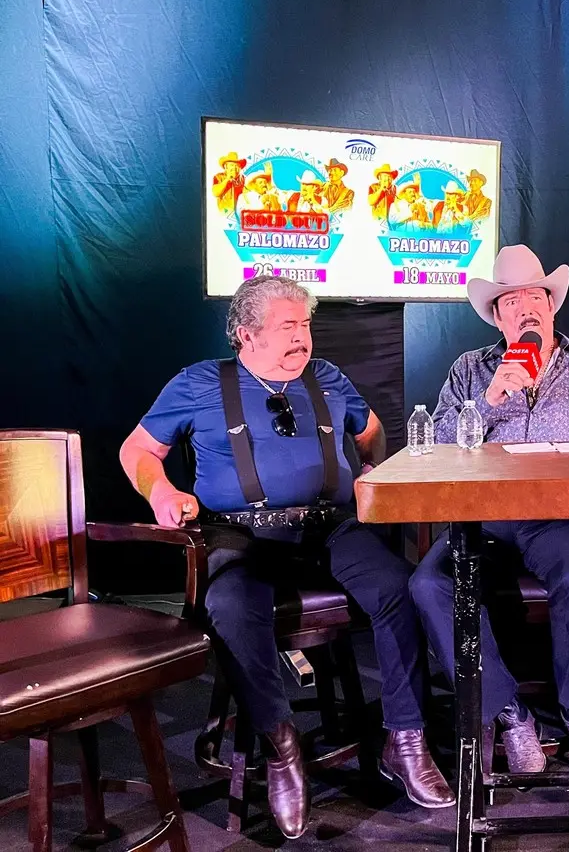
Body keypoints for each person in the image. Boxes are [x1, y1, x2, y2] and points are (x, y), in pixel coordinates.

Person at [119, 277, 454, 839]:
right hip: (241, 536)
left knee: (402, 589)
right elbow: (138, 450)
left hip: (329, 529)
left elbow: (369, 429)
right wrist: (161, 492)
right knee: (231, 606)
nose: (303, 338)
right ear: (246, 335)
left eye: (305, 325)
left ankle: (406, 739)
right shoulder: (200, 383)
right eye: (288, 328)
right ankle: (280, 746)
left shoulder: (327, 377)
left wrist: (372, 471)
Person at [410, 244, 569, 776]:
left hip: (559, 518)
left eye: (535, 297)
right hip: (484, 520)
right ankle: (510, 714)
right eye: (511, 301)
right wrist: (486, 404)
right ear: (497, 317)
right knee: (429, 584)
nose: (526, 308)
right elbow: (434, 447)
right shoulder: (471, 369)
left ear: (552, 305)